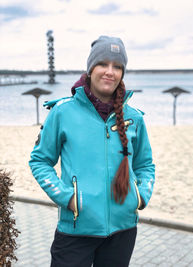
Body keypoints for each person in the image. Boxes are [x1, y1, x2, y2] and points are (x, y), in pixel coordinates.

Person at [29, 35, 155, 267]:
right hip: (76, 230)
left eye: (117, 66)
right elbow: (39, 161)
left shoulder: (134, 118)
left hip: (123, 230)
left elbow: (145, 165)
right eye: (103, 64)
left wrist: (140, 196)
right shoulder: (62, 112)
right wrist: (67, 197)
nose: (110, 71)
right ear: (90, 69)